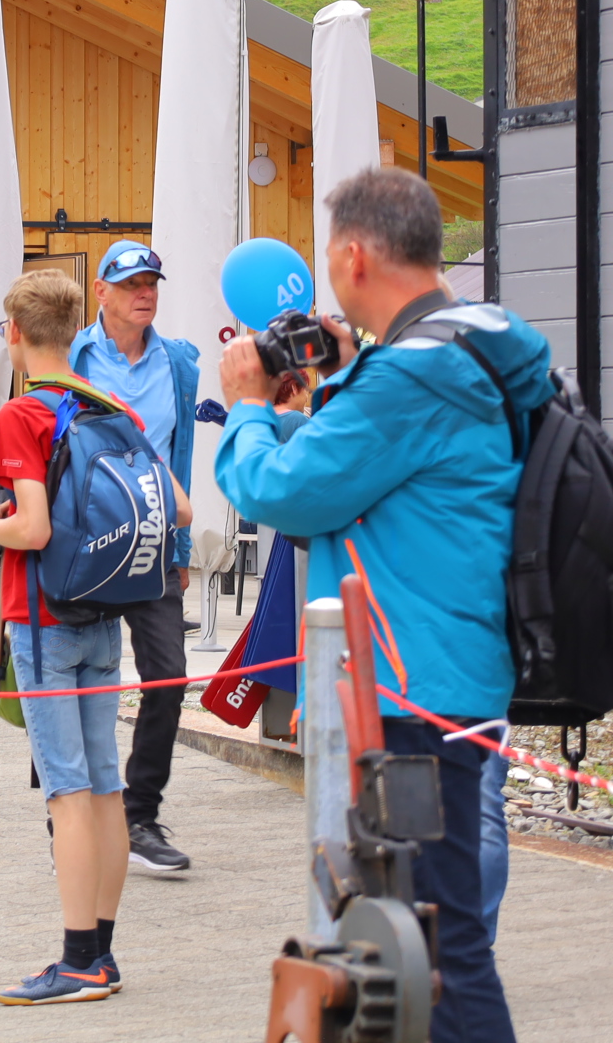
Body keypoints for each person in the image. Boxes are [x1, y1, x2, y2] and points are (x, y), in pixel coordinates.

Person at [217, 168, 549, 1043]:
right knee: (420, 941)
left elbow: (282, 490)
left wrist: (248, 408)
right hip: (452, 668)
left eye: (331, 258)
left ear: (355, 257)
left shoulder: (413, 375)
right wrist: (341, 380)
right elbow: (392, 470)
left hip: (412, 686)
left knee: (438, 952)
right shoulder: (474, 343)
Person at [0, 268, 191, 1005]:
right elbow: (180, 508)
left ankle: (76, 962)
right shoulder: (113, 406)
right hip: (105, 613)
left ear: (14, 332)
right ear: (74, 331)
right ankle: (102, 951)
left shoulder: (22, 415)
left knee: (65, 791)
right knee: (104, 787)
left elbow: (32, 528)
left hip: (42, 620)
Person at [67, 242, 200, 875]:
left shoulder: (178, 362)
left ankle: (139, 814)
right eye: (130, 284)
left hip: (153, 543)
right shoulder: (74, 356)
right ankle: (69, 812)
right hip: (86, 545)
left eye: (152, 283)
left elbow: (181, 455)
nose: (144, 294)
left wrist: (182, 546)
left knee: (168, 678)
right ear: (101, 291)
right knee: (72, 679)